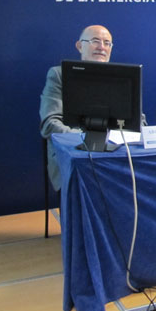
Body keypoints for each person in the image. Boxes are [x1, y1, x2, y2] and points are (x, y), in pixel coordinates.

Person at [39, 24, 113, 190]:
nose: (102, 47)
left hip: (114, 154)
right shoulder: (59, 75)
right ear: (80, 46)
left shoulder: (120, 77)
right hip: (73, 154)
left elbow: (139, 122)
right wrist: (86, 139)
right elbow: (50, 124)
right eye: (95, 41)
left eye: (107, 43)